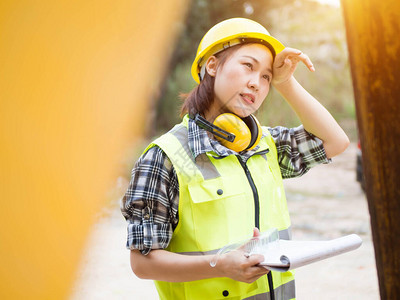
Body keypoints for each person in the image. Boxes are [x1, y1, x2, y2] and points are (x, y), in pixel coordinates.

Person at [121, 17, 349, 300]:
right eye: (248, 66)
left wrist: (286, 83)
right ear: (213, 65)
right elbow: (142, 262)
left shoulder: (266, 144)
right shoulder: (163, 157)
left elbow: (336, 141)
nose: (257, 83)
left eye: (266, 77)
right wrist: (219, 266)